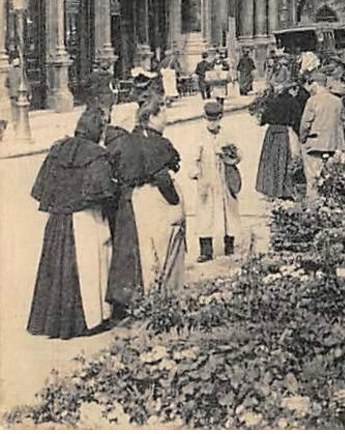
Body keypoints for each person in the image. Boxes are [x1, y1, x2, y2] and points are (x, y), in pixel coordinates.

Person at [27, 108, 115, 339]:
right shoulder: (97, 154)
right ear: (98, 129)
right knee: (87, 270)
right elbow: (104, 193)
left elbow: (40, 189)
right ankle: (90, 321)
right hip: (85, 218)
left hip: (57, 221)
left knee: (57, 270)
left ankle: (55, 324)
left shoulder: (57, 150)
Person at [106, 96, 185, 314]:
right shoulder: (156, 143)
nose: (167, 118)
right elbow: (161, 177)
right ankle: (166, 297)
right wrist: (175, 202)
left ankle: (149, 295)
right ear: (151, 117)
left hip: (136, 199)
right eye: (163, 113)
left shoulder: (131, 139)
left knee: (145, 248)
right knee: (163, 246)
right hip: (155, 199)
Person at [190, 100, 242, 262]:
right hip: (207, 177)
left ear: (220, 119)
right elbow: (193, 158)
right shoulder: (200, 136)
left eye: (215, 120)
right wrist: (196, 172)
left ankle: (229, 244)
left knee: (229, 210)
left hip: (224, 176)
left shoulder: (227, 134)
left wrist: (229, 155)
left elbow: (238, 155)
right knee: (205, 211)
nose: (212, 124)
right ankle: (206, 249)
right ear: (204, 119)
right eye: (209, 120)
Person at [299, 72, 345, 195]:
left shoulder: (312, 101)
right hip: (334, 144)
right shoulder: (337, 101)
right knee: (333, 176)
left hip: (315, 144)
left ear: (316, 84)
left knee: (313, 178)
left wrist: (303, 139)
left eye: (311, 84)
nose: (310, 88)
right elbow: (344, 122)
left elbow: (305, 124)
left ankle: (313, 204)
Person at [255, 83, 301, 199]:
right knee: (283, 160)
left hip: (271, 132)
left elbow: (262, 120)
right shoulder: (292, 102)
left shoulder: (271, 101)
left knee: (270, 161)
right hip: (284, 132)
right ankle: (283, 190)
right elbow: (296, 119)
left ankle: (270, 189)